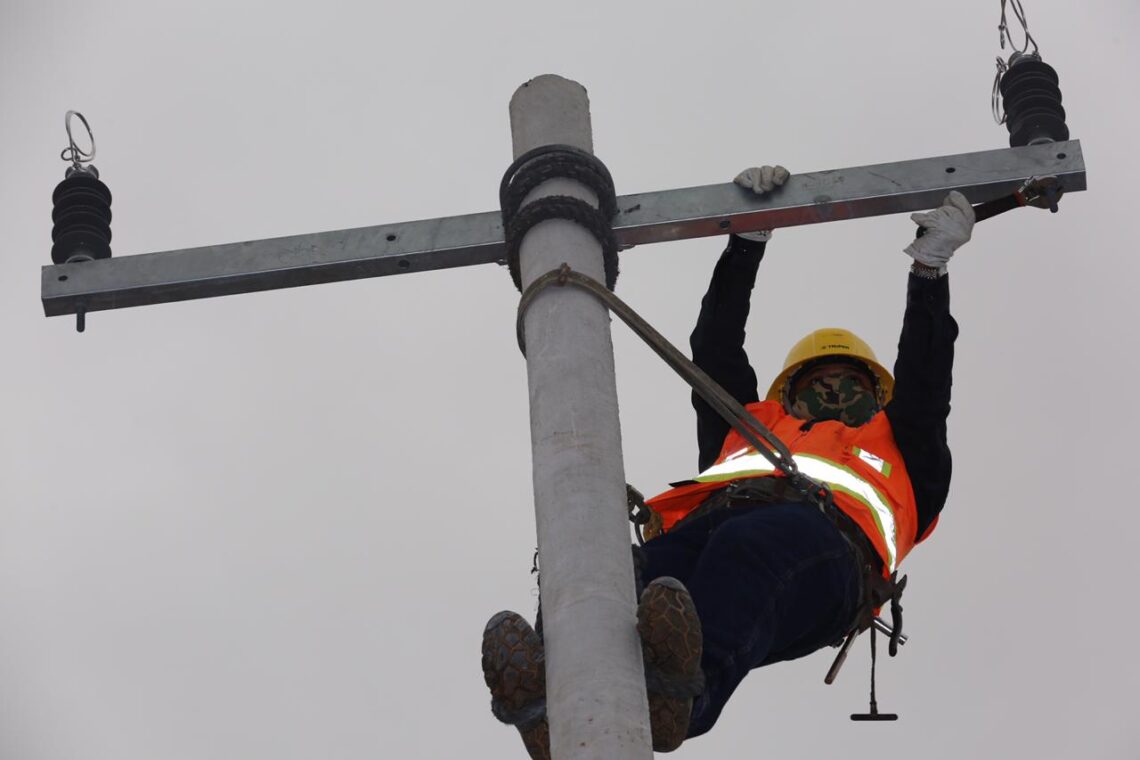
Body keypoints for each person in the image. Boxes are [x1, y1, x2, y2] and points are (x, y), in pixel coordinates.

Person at [480, 165, 973, 757]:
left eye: (850, 383)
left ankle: (685, 700)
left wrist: (929, 275)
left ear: (877, 394)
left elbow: (926, 375)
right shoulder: (750, 425)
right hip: (711, 535)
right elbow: (715, 347)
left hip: (827, 559)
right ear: (790, 392)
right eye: (819, 381)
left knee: (749, 545)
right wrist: (746, 242)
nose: (835, 392)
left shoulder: (904, 443)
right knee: (606, 571)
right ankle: (554, 705)